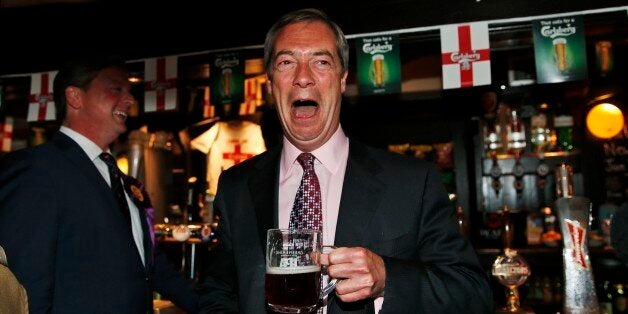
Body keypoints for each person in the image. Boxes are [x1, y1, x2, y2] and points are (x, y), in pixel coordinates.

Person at [196, 8, 493, 313]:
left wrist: (387, 279)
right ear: (271, 84)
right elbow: (217, 292)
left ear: (341, 79)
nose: (303, 77)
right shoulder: (236, 186)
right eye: (286, 63)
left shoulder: (413, 182)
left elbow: (472, 292)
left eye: (321, 62)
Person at [0, 55, 198, 313]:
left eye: (129, 91)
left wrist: (214, 307)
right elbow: (26, 282)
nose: (130, 100)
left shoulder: (124, 183)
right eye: (116, 88)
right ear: (74, 97)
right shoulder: (37, 168)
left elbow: (151, 266)